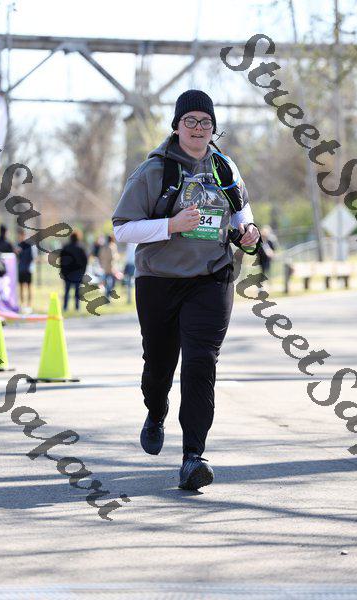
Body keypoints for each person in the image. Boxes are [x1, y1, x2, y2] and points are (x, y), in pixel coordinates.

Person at [112, 89, 260, 491]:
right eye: (190, 121)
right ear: (177, 126)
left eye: (205, 122)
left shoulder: (225, 168)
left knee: (200, 364)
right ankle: (155, 410)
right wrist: (171, 226)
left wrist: (249, 232)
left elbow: (243, 214)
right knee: (159, 366)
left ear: (213, 129)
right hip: (159, 280)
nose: (198, 128)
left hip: (212, 279)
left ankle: (193, 458)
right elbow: (122, 229)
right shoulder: (153, 171)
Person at [59, 230, 88, 312]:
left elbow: (61, 261)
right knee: (77, 291)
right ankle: (77, 307)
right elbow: (85, 261)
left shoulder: (66, 247)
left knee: (67, 291)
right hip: (78, 273)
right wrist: (83, 272)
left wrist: (62, 272)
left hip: (67, 273)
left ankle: (65, 307)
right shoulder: (81, 248)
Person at [16, 229, 37, 312]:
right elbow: (17, 257)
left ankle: (29, 305)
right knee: (21, 287)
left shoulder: (29, 244)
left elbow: (32, 257)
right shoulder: (18, 245)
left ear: (23, 235)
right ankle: (22, 304)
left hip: (27, 270)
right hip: (21, 269)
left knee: (29, 287)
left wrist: (27, 265)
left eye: (20, 235)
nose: (19, 237)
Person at [98, 235, 119, 300]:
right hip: (112, 267)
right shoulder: (113, 246)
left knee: (107, 281)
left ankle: (107, 294)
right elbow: (114, 257)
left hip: (105, 267)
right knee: (111, 282)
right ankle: (109, 294)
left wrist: (102, 264)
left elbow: (100, 256)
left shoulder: (103, 247)